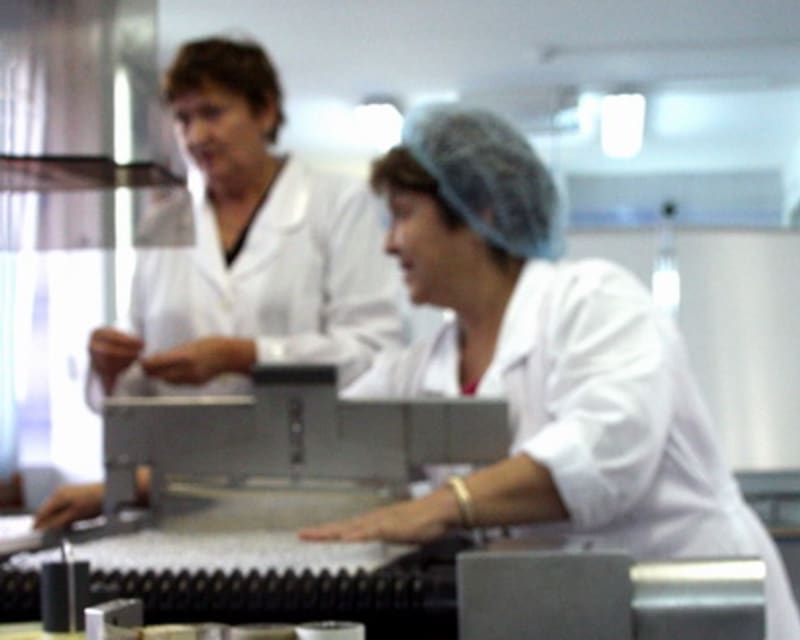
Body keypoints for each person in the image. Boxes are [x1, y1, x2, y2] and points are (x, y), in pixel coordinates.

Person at [298, 104, 800, 638]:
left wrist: (447, 505)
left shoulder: (593, 300)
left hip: (698, 608)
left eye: (404, 215)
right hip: (577, 613)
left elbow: (604, 451)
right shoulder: (424, 363)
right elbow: (332, 437)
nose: (389, 243)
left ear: (481, 212)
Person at [33, 36, 404, 529]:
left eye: (212, 113)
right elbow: (136, 393)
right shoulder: (163, 224)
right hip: (180, 493)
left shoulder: (336, 204)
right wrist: (110, 368)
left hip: (311, 489)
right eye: (183, 119)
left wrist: (244, 355)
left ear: (265, 111)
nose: (196, 135)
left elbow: (375, 352)